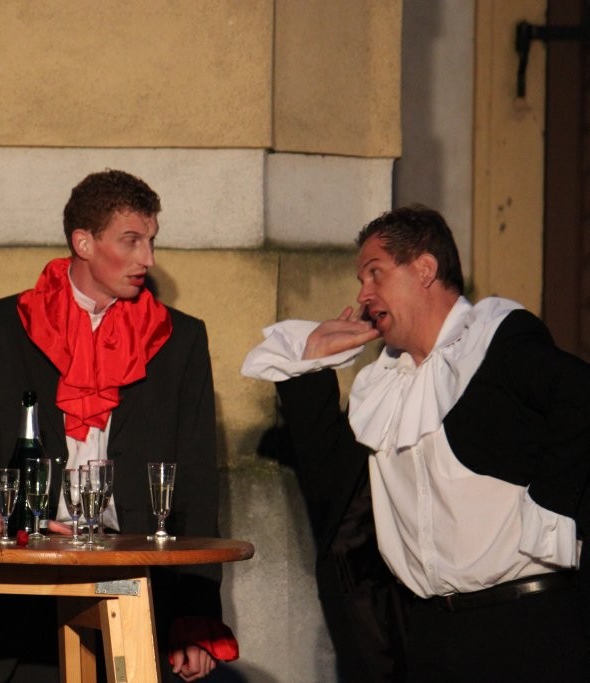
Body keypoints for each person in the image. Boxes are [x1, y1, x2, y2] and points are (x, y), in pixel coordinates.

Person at [241, 205, 590, 682]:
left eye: (375, 273)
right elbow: (331, 490)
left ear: (425, 269)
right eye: (361, 279)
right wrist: (311, 363)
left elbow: (579, 397)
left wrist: (551, 508)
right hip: (429, 635)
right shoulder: (384, 385)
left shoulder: (494, 343)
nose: (363, 295)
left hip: (527, 627)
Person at [0, 169, 238, 681]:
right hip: (21, 584)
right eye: (131, 240)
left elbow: (195, 480)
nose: (148, 259)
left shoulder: (180, 340)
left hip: (138, 584)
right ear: (84, 242)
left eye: (151, 241)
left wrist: (196, 612)